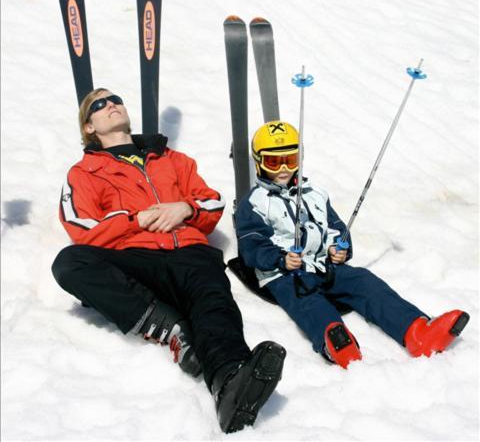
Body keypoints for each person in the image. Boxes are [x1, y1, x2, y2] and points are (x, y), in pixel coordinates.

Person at [51, 88, 286, 433]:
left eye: (114, 98)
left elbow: (212, 203)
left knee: (214, 305)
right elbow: (81, 227)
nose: (111, 104)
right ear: (89, 127)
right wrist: (136, 220)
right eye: (99, 104)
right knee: (70, 263)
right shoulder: (85, 172)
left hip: (191, 253)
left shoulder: (173, 159)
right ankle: (169, 325)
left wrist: (187, 208)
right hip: (136, 259)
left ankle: (231, 384)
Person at [235, 121, 470, 369]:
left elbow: (335, 226)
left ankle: (417, 331)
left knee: (364, 281)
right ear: (259, 161)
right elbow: (251, 245)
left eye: (290, 159)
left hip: (322, 263)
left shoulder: (314, 193)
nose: (283, 168)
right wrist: (280, 259)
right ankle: (335, 341)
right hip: (286, 273)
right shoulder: (255, 203)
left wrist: (340, 247)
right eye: (274, 162)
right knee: (306, 300)